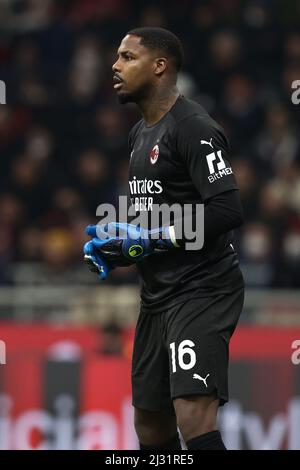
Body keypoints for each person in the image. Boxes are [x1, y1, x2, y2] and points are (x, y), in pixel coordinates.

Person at [84, 27, 245, 450]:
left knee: (193, 416)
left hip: (202, 289)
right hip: (157, 295)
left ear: (159, 67)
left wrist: (152, 239)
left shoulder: (195, 128)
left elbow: (228, 210)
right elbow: (151, 225)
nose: (114, 66)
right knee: (151, 426)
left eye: (126, 57)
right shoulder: (139, 134)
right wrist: (120, 248)